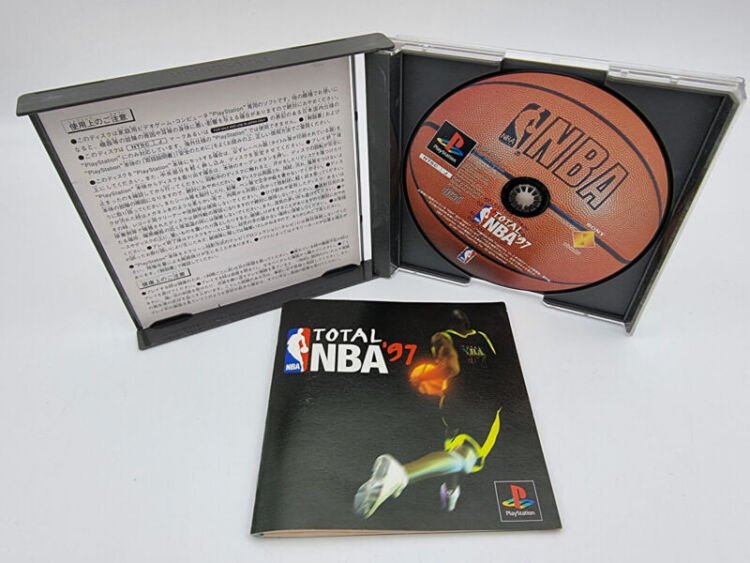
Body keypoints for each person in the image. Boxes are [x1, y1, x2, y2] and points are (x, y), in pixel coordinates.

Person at [353, 309, 501, 518]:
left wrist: (425, 378)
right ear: (466, 323)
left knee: (455, 454)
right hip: (482, 401)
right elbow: (456, 367)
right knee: (466, 458)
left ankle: (450, 494)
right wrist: (427, 376)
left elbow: (453, 367)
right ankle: (402, 474)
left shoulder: (446, 338)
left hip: (456, 400)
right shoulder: (476, 338)